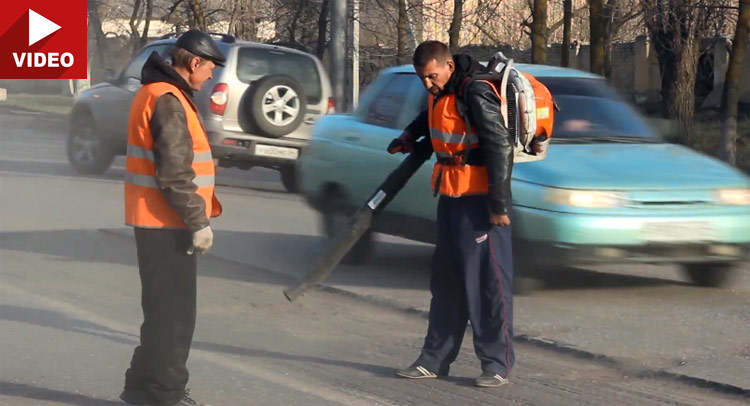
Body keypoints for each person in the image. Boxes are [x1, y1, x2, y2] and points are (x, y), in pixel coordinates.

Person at [390, 40, 515, 388]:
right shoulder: (442, 90)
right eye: (422, 79)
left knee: (488, 286)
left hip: (481, 203)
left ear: (447, 66)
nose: (428, 84)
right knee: (445, 283)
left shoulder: (475, 91)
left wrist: (499, 205)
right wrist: (409, 134)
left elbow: (499, 145)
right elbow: (433, 118)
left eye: (432, 76)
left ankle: (496, 364)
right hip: (450, 195)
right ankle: (434, 359)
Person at [120, 30, 225, 406]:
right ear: (194, 62)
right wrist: (198, 222)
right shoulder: (167, 99)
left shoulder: (157, 92)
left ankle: (141, 389)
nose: (211, 75)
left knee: (161, 313)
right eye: (210, 68)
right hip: (169, 223)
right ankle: (165, 396)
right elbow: (176, 173)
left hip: (154, 220)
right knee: (175, 320)